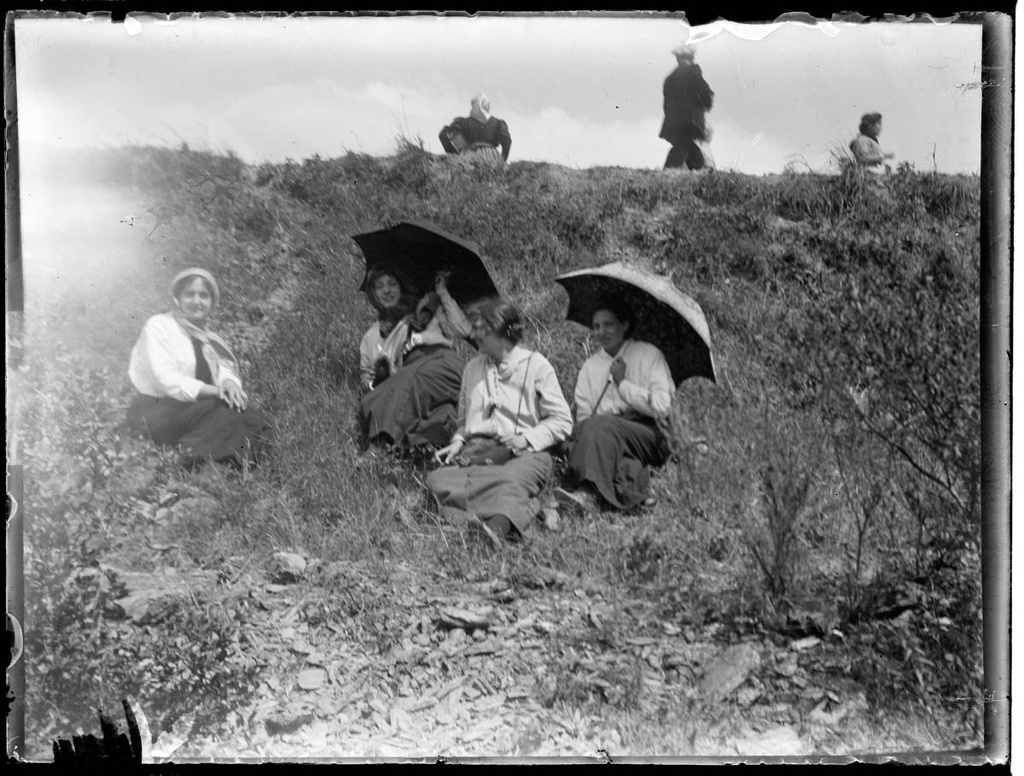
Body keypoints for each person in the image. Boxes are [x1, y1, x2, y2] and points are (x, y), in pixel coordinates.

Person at [427, 300, 573, 546]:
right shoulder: (472, 368)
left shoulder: (537, 366)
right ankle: (525, 511)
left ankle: (493, 530)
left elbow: (562, 421)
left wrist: (524, 438)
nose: (472, 334)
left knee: (509, 480)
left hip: (525, 454)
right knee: (436, 480)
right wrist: (457, 442)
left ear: (500, 329)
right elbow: (464, 422)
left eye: (480, 328)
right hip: (479, 453)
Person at [127, 267, 273, 468]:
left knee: (252, 416)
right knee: (228, 415)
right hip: (158, 409)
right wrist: (216, 391)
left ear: (212, 301)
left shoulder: (209, 338)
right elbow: (166, 378)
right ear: (177, 298)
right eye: (189, 294)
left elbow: (223, 366)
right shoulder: (159, 326)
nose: (197, 301)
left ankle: (227, 462)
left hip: (194, 408)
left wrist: (229, 383)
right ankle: (193, 461)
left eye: (204, 295)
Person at [556, 299, 674, 513]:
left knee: (601, 426)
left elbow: (663, 407)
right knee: (594, 434)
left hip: (649, 434)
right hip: (605, 435)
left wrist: (623, 384)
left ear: (625, 325)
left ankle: (584, 490)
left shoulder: (648, 354)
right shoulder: (589, 367)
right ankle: (630, 497)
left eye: (609, 325)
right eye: (597, 326)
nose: (601, 332)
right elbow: (584, 417)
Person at [358, 266, 472, 454]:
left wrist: (442, 293)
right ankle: (424, 450)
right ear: (373, 293)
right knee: (378, 399)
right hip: (412, 384)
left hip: (442, 364)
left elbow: (463, 330)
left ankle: (378, 446)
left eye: (392, 284)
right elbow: (366, 377)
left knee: (409, 380)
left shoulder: (426, 309)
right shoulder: (370, 337)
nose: (387, 290)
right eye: (379, 286)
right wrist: (371, 378)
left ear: (401, 286)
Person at [659, 44, 714, 171]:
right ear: (691, 58)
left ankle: (699, 170)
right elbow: (706, 94)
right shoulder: (694, 72)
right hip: (690, 120)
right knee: (684, 145)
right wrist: (705, 105)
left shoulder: (670, 78)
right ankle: (672, 170)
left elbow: (666, 103)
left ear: (677, 59)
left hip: (672, 120)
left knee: (684, 144)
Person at [439, 94, 512, 162]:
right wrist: (503, 159)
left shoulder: (463, 122)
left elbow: (444, 135)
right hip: (492, 157)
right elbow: (507, 142)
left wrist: (455, 153)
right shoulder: (497, 123)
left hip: (468, 155)